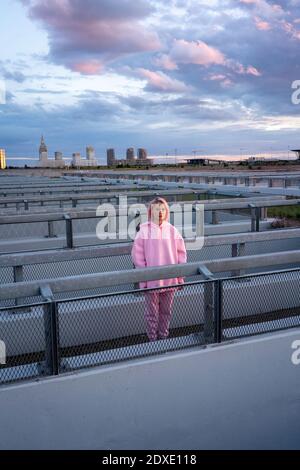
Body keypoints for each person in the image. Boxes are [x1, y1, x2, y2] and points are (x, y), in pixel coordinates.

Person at [131, 197, 187, 341]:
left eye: (163, 209)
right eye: (157, 209)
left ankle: (163, 336)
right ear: (151, 212)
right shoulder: (143, 231)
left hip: (170, 280)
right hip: (152, 281)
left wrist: (179, 277)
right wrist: (144, 279)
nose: (160, 212)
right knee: (151, 313)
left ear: (166, 211)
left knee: (166, 311)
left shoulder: (172, 230)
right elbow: (138, 257)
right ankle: (152, 339)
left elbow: (181, 254)